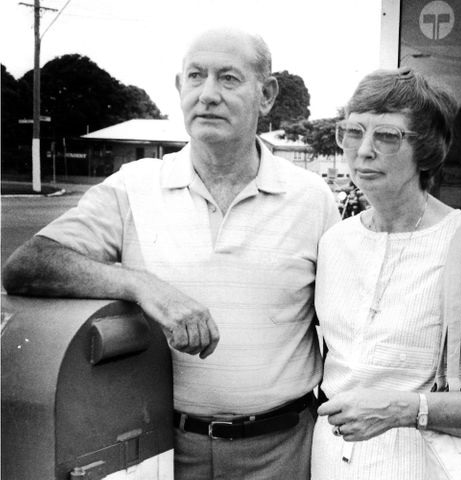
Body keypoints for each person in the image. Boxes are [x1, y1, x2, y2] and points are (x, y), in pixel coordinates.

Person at [2, 27, 339, 479]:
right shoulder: (133, 185)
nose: (208, 94)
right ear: (179, 88)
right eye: (195, 77)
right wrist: (141, 284)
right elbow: (26, 266)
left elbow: (341, 328)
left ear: (267, 94)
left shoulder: (313, 198)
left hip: (282, 450)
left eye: (229, 78)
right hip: (162, 451)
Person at [311, 67, 461, 479]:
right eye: (353, 131)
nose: (363, 150)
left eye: (386, 135)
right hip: (331, 461)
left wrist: (403, 408)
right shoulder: (334, 242)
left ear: (428, 150)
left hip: (427, 466)